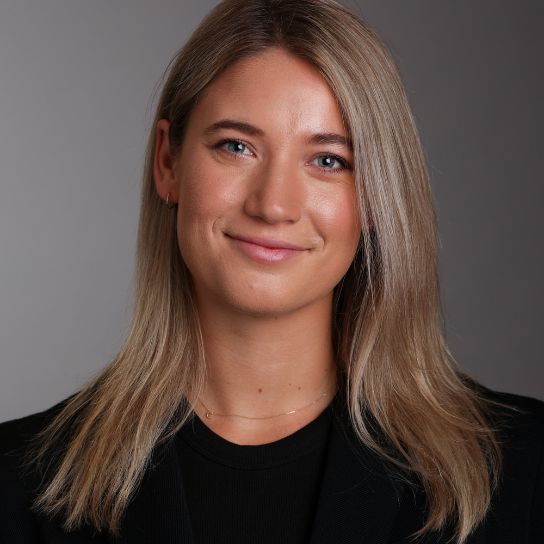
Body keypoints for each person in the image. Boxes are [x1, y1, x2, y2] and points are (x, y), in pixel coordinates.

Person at [1, 1, 542, 543]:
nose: (273, 205)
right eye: (236, 147)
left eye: (328, 160)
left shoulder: (526, 470)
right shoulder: (15, 483)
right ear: (168, 162)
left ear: (378, 194)